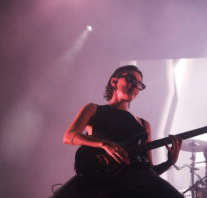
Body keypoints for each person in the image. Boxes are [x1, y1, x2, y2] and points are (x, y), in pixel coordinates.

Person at [51, 65, 183, 198]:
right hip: (101, 182)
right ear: (114, 81)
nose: (135, 86)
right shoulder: (94, 109)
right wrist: (104, 144)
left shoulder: (143, 125)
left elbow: (148, 170)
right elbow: (69, 136)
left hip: (132, 187)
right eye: (131, 79)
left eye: (139, 84)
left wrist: (169, 163)